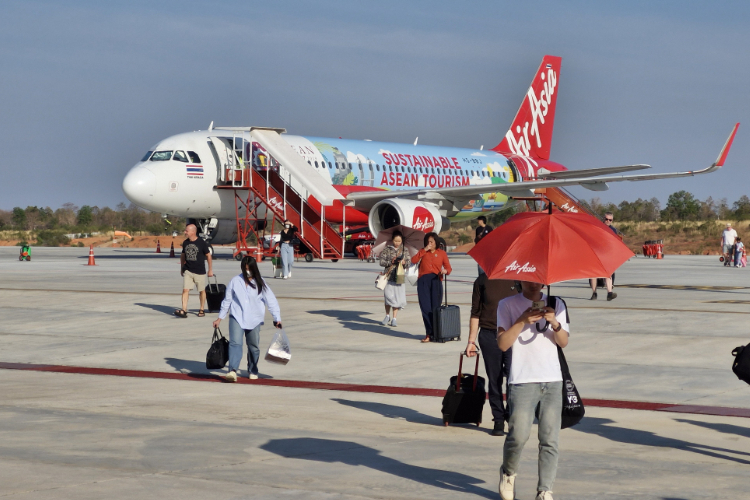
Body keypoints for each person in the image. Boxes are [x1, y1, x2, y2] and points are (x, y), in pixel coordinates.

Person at [497, 281, 570, 500]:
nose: (533, 283)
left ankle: (545, 490)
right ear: (520, 280)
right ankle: (508, 474)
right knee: (517, 436)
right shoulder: (507, 304)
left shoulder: (557, 303)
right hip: (522, 379)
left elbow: (564, 342)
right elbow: (502, 344)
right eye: (528, 279)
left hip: (552, 379)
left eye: (538, 279)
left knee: (549, 439)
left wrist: (554, 322)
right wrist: (522, 320)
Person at [213, 256, 282, 382]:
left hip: (254, 318)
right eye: (245, 269)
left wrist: (277, 318)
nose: (247, 271)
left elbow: (271, 301)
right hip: (237, 316)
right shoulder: (235, 281)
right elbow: (227, 300)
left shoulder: (260, 283)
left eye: (249, 268)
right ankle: (232, 370)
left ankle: (253, 369)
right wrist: (219, 318)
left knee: (253, 346)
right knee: (235, 343)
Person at [466, 275, 517, 436]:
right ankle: (498, 420)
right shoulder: (482, 281)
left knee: (513, 378)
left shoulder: (518, 279)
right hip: (489, 335)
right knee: (494, 380)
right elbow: (475, 313)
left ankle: (512, 416)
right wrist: (471, 341)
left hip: (513, 335)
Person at [411, 232, 452, 343]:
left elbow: (448, 267)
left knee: (435, 308)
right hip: (423, 281)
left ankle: (437, 333)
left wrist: (445, 271)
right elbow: (413, 260)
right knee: (425, 308)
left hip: (436, 280)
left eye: (431, 242)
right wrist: (424, 250)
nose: (430, 244)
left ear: (436, 242)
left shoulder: (442, 253)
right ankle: (429, 333)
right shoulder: (423, 252)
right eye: (428, 242)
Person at [175, 224, 213, 318]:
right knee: (185, 290)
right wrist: (182, 268)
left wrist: (210, 270)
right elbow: (183, 255)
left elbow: (208, 255)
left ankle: (201, 309)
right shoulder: (185, 243)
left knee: (201, 291)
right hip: (188, 270)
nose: (185, 232)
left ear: (193, 232)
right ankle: (184, 310)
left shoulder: (201, 243)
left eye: (186, 231)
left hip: (199, 271)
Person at [378, 231, 410, 327]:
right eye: (395, 240)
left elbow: (409, 262)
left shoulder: (405, 250)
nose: (397, 243)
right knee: (388, 297)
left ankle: (394, 318)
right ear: (392, 240)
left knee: (397, 298)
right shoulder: (387, 249)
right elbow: (381, 262)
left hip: (399, 276)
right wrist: (390, 262)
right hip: (389, 275)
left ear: (402, 241)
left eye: (399, 241)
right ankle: (387, 315)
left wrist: (404, 262)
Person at [589, 212, 617, 301]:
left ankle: (609, 293)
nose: (608, 221)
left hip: (607, 254)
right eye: (606, 219)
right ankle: (594, 293)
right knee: (593, 274)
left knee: (608, 274)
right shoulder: (597, 227)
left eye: (610, 220)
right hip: (596, 253)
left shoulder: (613, 230)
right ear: (603, 219)